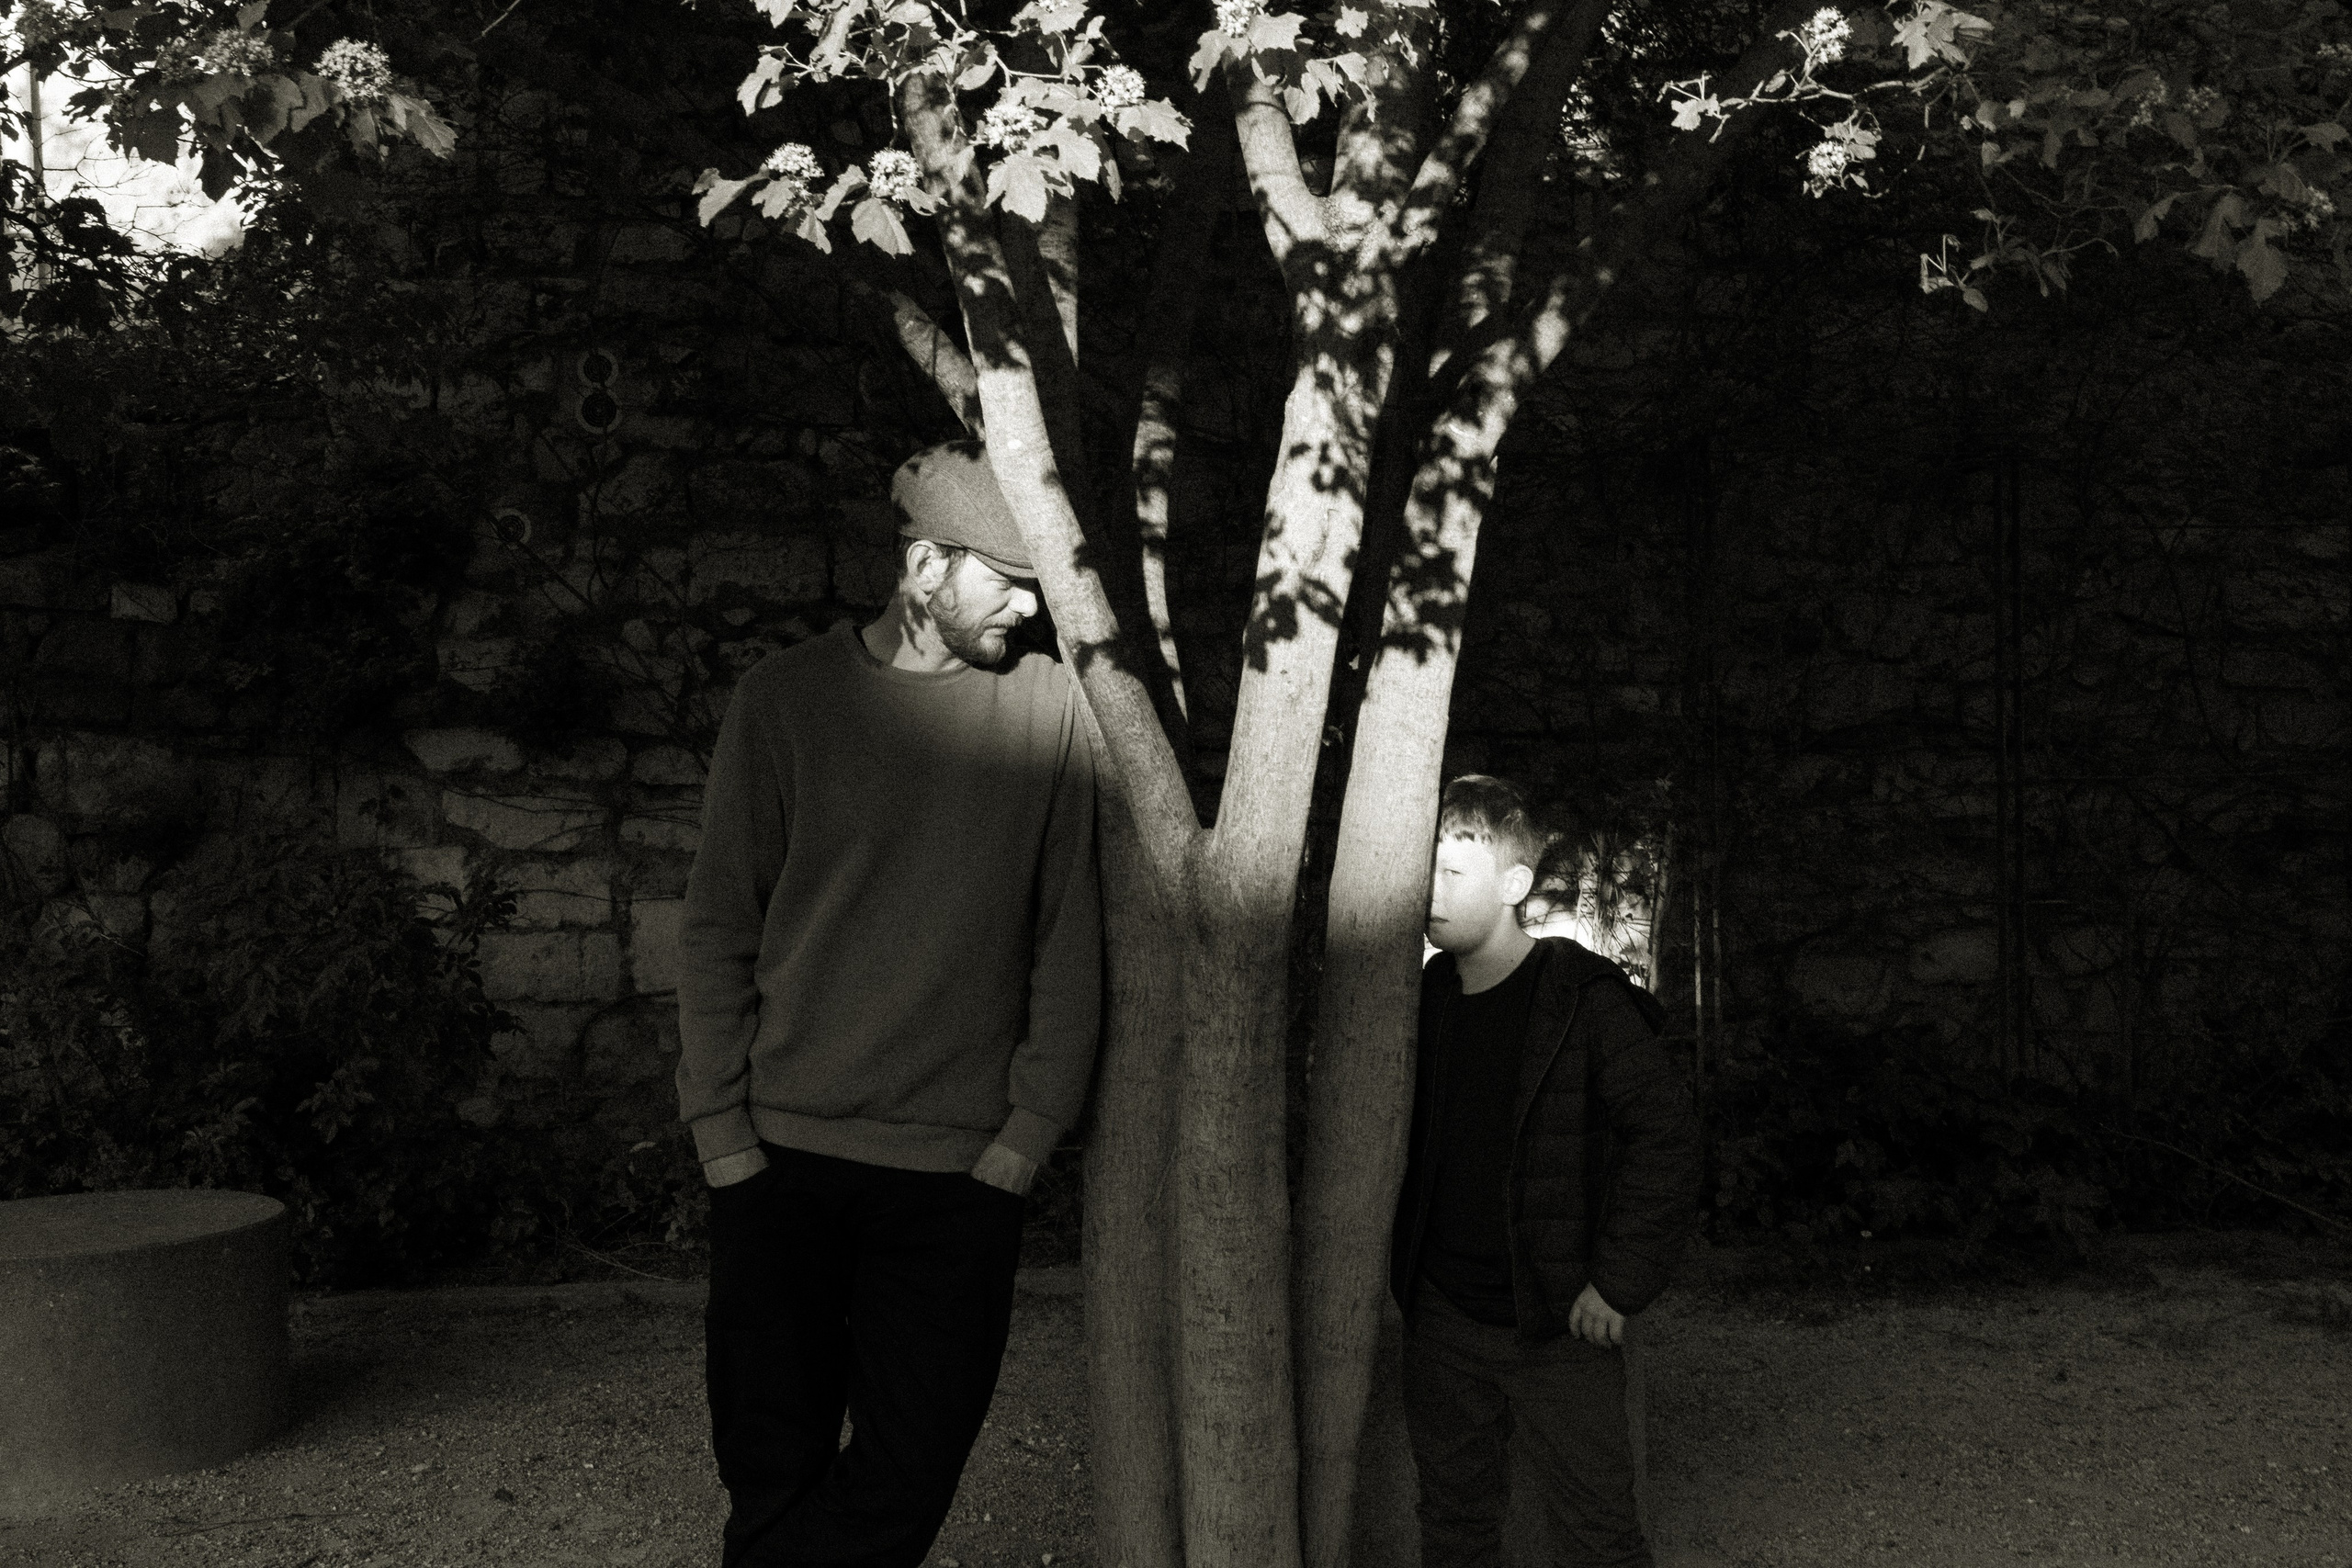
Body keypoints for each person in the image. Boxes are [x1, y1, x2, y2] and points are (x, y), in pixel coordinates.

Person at [674, 439, 1102, 1568]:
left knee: (913, 1469)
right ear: (922, 569)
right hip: (782, 1158)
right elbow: (720, 922)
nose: (1027, 611)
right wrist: (722, 1136)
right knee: (771, 1461)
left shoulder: (1052, 713)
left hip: (959, 1176)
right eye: (1007, 583)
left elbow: (1070, 929)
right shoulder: (783, 703)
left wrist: (1029, 1129)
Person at [1391, 774, 1699, 1568]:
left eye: (1453, 873)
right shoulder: (1424, 998)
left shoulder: (1583, 999)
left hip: (1559, 1325)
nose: (1431, 889)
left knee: (1600, 1536)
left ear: (1515, 884)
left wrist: (1620, 1282)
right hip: (1445, 1320)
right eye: (1428, 868)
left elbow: (1666, 1137)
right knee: (1454, 1527)